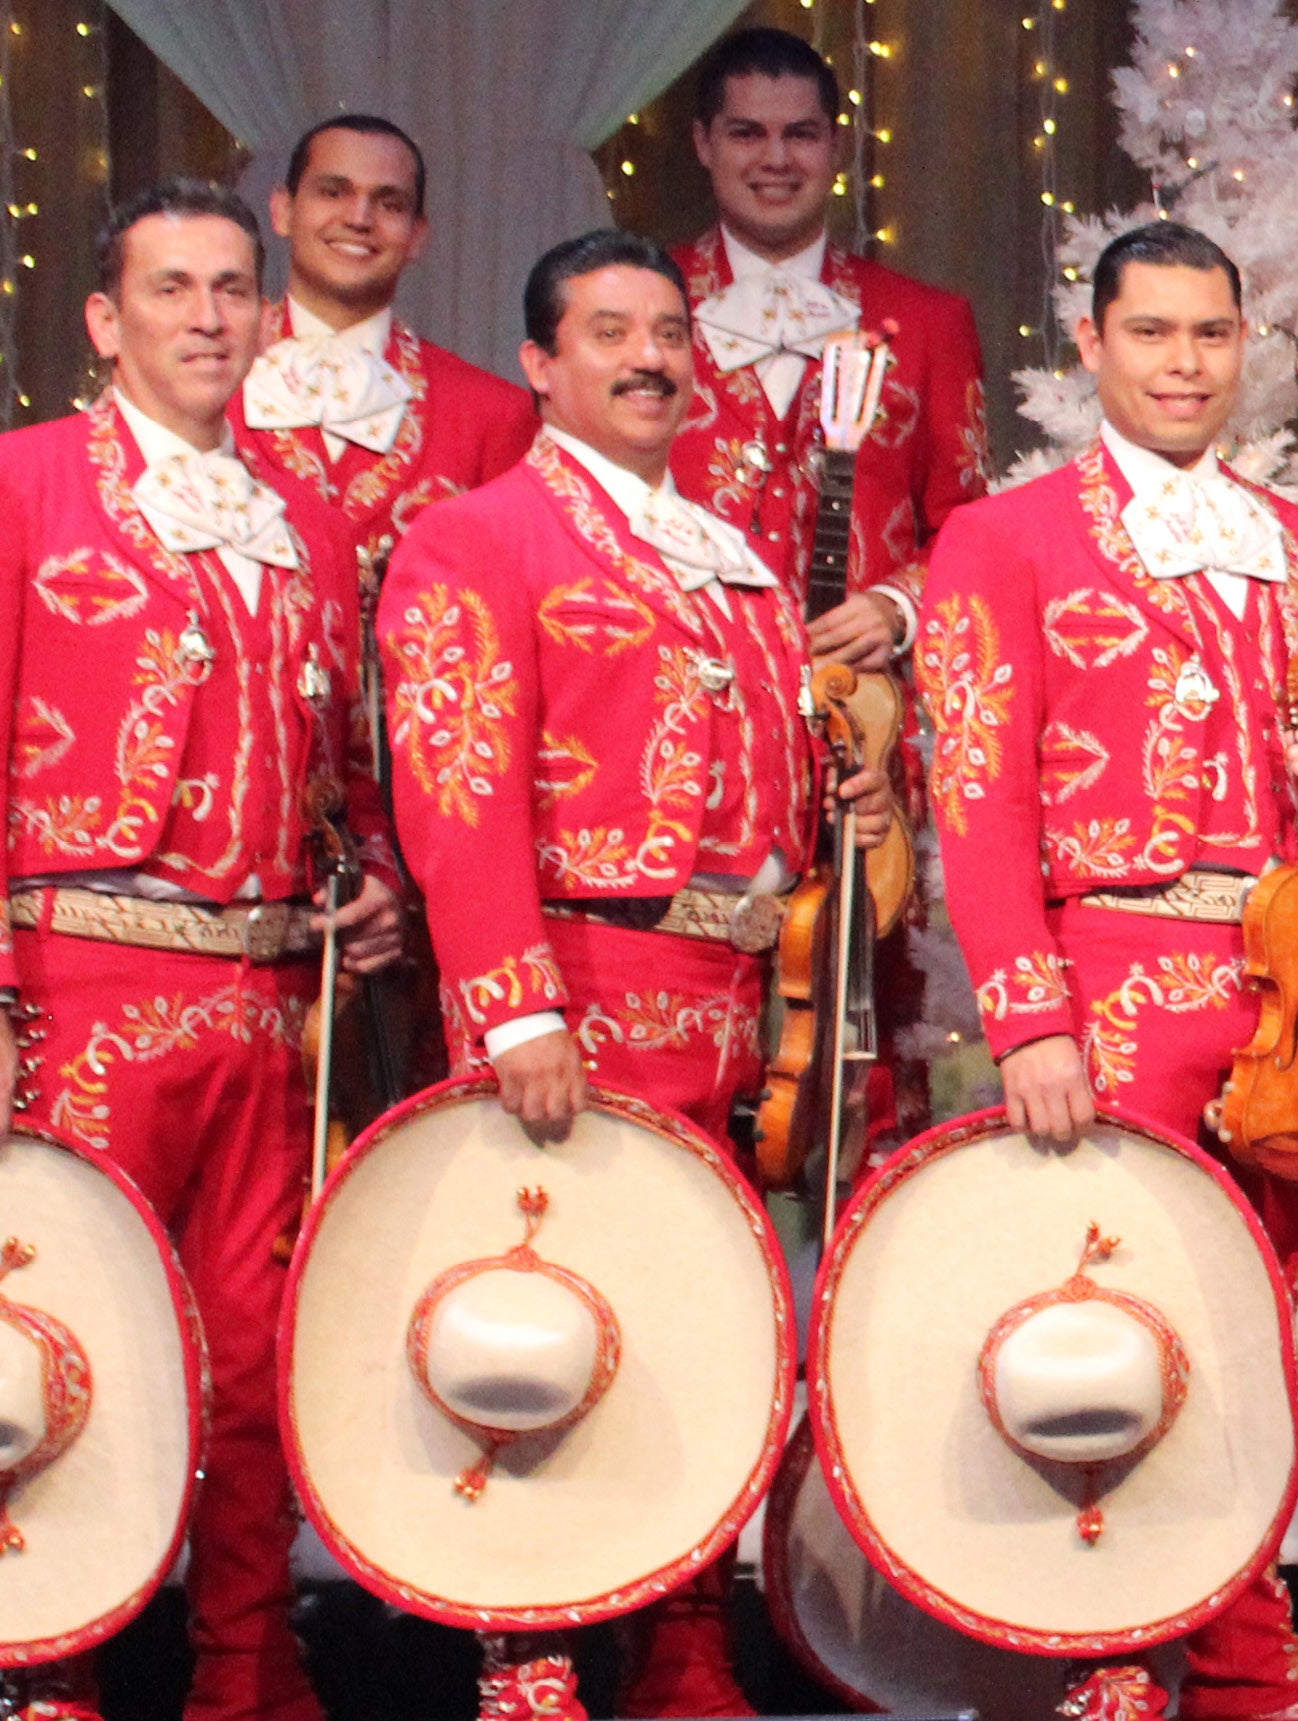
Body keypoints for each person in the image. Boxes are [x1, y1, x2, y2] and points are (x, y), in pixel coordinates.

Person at [0, 178, 391, 1721]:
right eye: (172, 290)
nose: (209, 317)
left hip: (265, 995)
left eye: (234, 289)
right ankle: (51, 1672)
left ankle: (248, 1664)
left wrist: (368, 875)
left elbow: (334, 759)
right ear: (108, 320)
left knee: (255, 1352)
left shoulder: (304, 516)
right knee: (66, 1335)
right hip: (78, 974)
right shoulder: (0, 484)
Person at [376, 227, 891, 1718]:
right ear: (541, 365)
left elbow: (765, 784)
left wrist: (841, 798)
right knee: (542, 1326)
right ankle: (527, 1650)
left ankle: (682, 1646)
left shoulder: (726, 556)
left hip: (735, 1003)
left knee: (706, 1331)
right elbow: (458, 789)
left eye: (668, 330)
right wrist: (513, 999)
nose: (651, 356)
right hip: (581, 992)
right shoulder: (479, 536)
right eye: (609, 332)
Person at [915, 219, 1298, 1721]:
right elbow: (978, 794)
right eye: (1153, 334)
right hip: (1112, 964)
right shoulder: (1000, 540)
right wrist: (1027, 1016)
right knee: (1115, 1324)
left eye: (1211, 334)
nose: (1184, 364)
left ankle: (1245, 1660)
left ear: (1242, 344)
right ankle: (1117, 1652)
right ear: (1093, 346)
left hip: (1283, 988)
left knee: (1253, 1327)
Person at [662, 25, 985, 664]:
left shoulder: (928, 322)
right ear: (704, 142)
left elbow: (970, 528)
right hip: (685, 708)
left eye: (801, 135)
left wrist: (900, 605)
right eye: (747, 133)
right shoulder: (640, 312)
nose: (775, 159)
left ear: (835, 145)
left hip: (860, 724)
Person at [237, 113, 541, 575]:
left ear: (418, 235)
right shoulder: (209, 384)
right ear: (282, 210)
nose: (359, 218)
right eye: (333, 191)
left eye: (389, 203)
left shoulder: (494, 415)